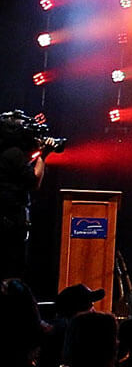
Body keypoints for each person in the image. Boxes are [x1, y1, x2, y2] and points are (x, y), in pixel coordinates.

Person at [0, 111, 47, 281]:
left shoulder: (7, 151)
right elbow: (34, 181)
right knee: (13, 267)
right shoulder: (14, 153)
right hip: (11, 219)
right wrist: (43, 155)